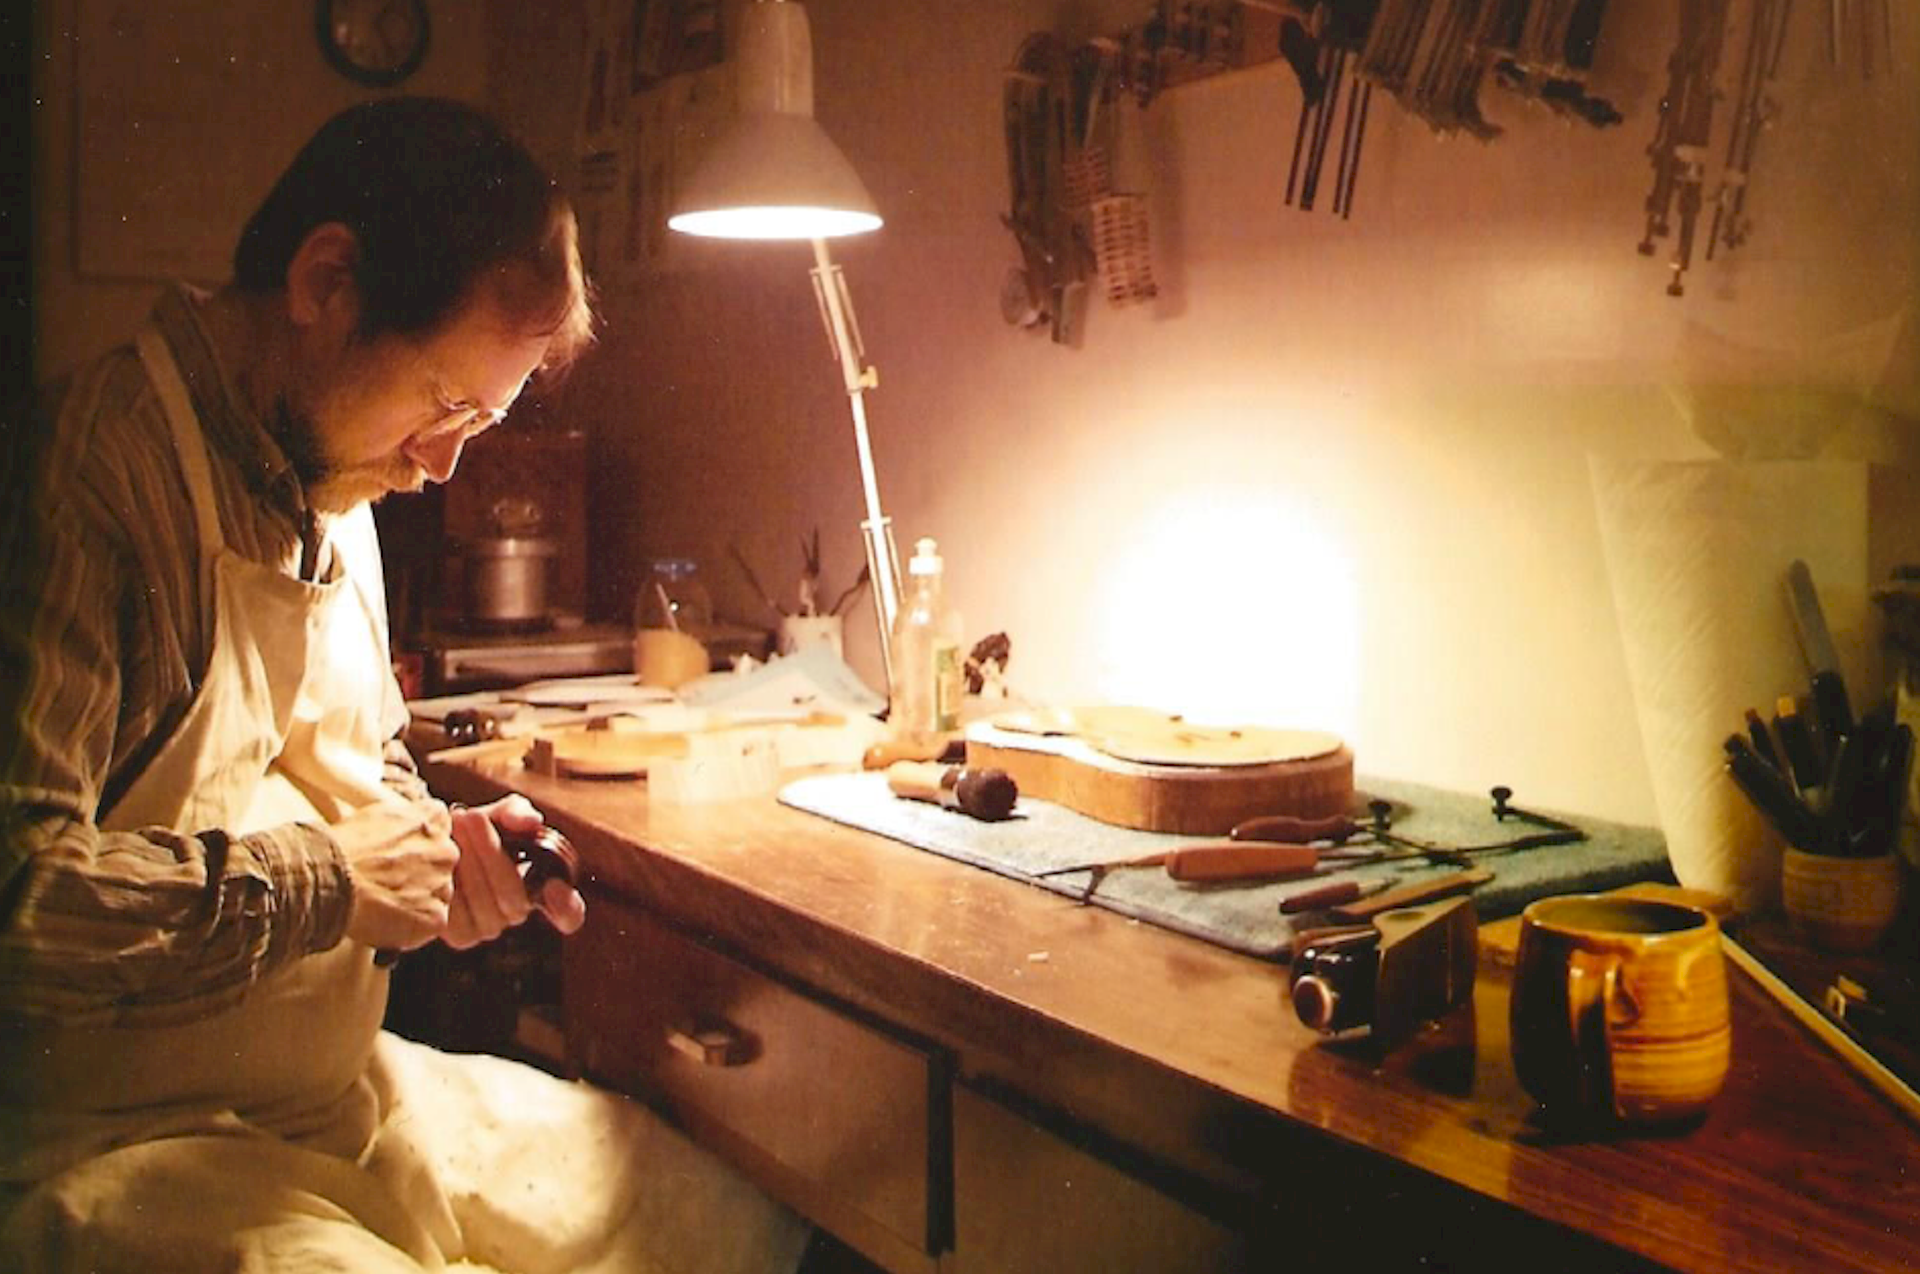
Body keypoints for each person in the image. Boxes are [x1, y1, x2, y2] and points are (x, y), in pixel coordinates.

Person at [0, 98, 808, 1273]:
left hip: (328, 1107)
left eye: (482, 421)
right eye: (445, 405)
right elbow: (23, 904)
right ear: (327, 282)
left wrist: (442, 860)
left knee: (712, 1211)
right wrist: (333, 881)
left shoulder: (337, 472)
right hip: (109, 1141)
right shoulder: (94, 473)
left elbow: (359, 771)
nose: (443, 468)